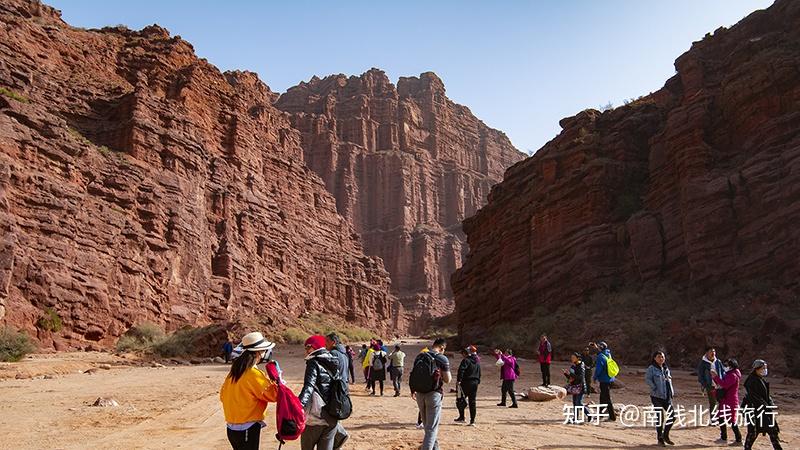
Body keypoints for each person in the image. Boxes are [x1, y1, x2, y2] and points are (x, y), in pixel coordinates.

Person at [219, 332, 278, 450]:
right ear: (257, 352)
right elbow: (273, 396)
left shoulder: (234, 372)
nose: (264, 354)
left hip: (232, 427)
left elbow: (222, 396)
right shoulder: (253, 374)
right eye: (263, 350)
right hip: (247, 427)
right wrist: (276, 381)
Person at [298, 335, 344, 450]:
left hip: (315, 417)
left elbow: (308, 387)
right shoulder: (335, 360)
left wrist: (298, 406)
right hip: (332, 415)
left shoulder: (313, 362)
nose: (306, 351)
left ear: (315, 347)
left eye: (308, 347)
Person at [411, 338, 451, 450]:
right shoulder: (442, 358)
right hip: (434, 395)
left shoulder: (420, 356)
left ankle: (435, 448)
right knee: (431, 429)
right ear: (442, 347)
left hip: (419, 394)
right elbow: (448, 380)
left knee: (428, 427)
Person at [742, 360, 782, 450]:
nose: (765, 370)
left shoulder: (760, 379)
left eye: (765, 368)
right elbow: (755, 397)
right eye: (763, 368)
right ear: (757, 369)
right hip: (754, 409)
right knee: (754, 432)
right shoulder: (751, 381)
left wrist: (770, 403)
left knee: (772, 430)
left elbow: (765, 395)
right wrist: (766, 406)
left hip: (763, 409)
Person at [645, 351, 675, 446]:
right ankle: (660, 439)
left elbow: (669, 381)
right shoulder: (651, 368)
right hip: (656, 396)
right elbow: (648, 379)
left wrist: (671, 392)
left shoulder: (666, 369)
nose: (661, 358)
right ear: (654, 358)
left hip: (667, 396)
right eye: (659, 357)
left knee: (672, 416)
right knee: (660, 417)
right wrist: (654, 387)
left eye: (662, 357)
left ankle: (665, 435)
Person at [712, 358, 742, 444]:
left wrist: (715, 377)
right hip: (726, 400)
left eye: (726, 365)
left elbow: (724, 384)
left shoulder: (733, 375)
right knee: (721, 418)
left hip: (730, 401)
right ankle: (724, 437)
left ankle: (738, 438)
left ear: (731, 366)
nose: (725, 367)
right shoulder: (730, 374)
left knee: (732, 420)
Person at [455, 347, 481, 426]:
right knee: (472, 402)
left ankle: (462, 417)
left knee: (460, 399)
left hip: (465, 383)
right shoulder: (477, 361)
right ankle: (472, 421)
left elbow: (461, 370)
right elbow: (479, 373)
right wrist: (478, 381)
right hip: (475, 383)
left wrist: (459, 380)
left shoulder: (466, 360)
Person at [697, 346, 726, 417]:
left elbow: (723, 372)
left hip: (719, 385)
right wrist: (706, 385)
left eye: (714, 351)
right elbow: (700, 376)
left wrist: (723, 382)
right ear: (706, 353)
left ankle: (720, 417)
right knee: (713, 403)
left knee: (721, 402)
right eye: (711, 351)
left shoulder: (718, 362)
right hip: (710, 386)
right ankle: (713, 419)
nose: (713, 353)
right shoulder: (703, 363)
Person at [592, 341, 616, 421]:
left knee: (607, 398)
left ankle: (612, 417)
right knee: (602, 398)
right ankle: (600, 414)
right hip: (609, 378)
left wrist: (595, 377)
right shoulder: (608, 354)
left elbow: (598, 369)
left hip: (604, 380)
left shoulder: (600, 357)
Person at [563, 352, 587, 424]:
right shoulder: (573, 366)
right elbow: (572, 378)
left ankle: (589, 414)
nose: (572, 359)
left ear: (577, 358)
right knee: (574, 403)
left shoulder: (581, 366)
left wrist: (570, 374)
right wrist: (566, 374)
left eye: (573, 357)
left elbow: (580, 377)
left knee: (578, 403)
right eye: (571, 357)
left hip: (580, 386)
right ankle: (575, 418)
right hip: (574, 387)